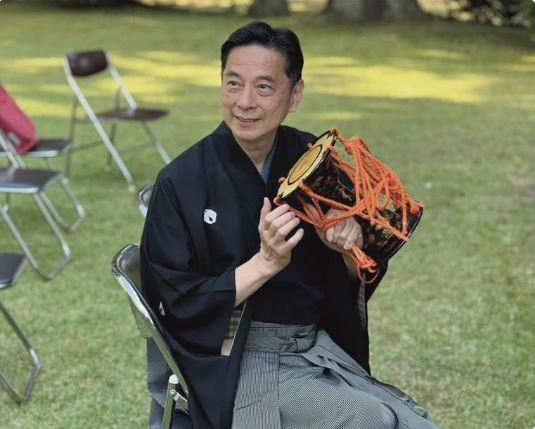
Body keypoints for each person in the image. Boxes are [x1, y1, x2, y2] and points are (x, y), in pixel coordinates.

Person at [141, 21, 440, 429]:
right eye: (233, 84)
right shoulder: (181, 181)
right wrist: (264, 263)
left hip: (313, 346)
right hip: (237, 359)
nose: (245, 102)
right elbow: (173, 304)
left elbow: (362, 267)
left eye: (264, 87)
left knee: (416, 424)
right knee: (370, 420)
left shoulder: (312, 161)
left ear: (294, 94)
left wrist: (346, 248)